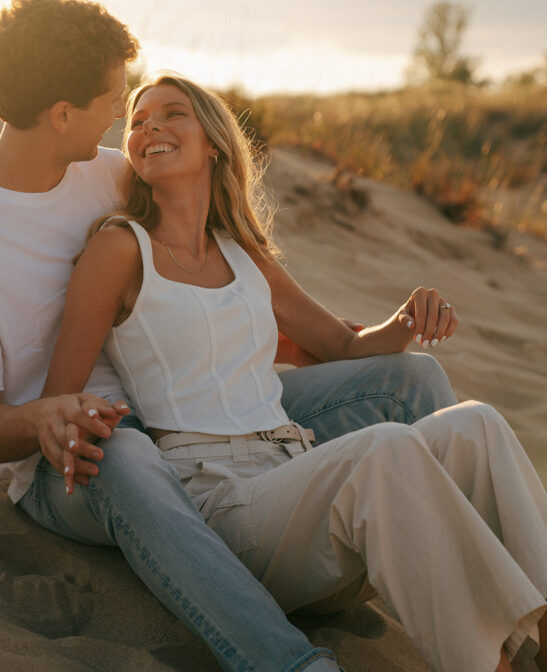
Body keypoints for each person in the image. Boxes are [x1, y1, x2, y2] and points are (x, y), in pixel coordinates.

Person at [0, 0, 460, 672]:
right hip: (75, 461)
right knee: (125, 451)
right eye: (113, 99)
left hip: (189, 410)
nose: (123, 115)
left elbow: (199, 285)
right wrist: (45, 417)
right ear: (60, 115)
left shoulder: (110, 174)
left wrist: (332, 341)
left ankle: (492, 603)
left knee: (406, 382)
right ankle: (287, 661)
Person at [43, 73, 547, 672]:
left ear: (213, 143)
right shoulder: (120, 247)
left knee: (477, 425)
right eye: (138, 118)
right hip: (217, 507)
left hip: (295, 481)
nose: (148, 125)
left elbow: (337, 342)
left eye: (171, 113)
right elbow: (58, 396)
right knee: (384, 450)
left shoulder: (241, 251)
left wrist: (407, 321)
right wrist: (68, 426)